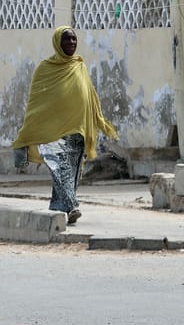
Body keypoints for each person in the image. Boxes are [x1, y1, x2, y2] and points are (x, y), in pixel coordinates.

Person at [11, 26, 117, 224]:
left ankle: (59, 207)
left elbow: (90, 94)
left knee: (73, 170)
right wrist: (31, 127)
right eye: (66, 40)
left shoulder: (79, 65)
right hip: (52, 132)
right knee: (60, 167)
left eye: (74, 39)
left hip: (78, 129)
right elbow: (36, 102)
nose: (71, 43)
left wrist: (96, 118)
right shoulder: (45, 68)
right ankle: (72, 204)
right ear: (57, 43)